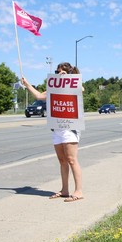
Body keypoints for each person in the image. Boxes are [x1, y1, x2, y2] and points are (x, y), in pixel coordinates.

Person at [21, 62, 84, 202]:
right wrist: (27, 84)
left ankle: (78, 191)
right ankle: (65, 190)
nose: (57, 73)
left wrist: (66, 78)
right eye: (57, 72)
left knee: (72, 160)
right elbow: (38, 96)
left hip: (70, 127)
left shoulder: (74, 84)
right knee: (62, 160)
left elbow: (82, 89)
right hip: (57, 127)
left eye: (60, 71)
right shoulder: (53, 88)